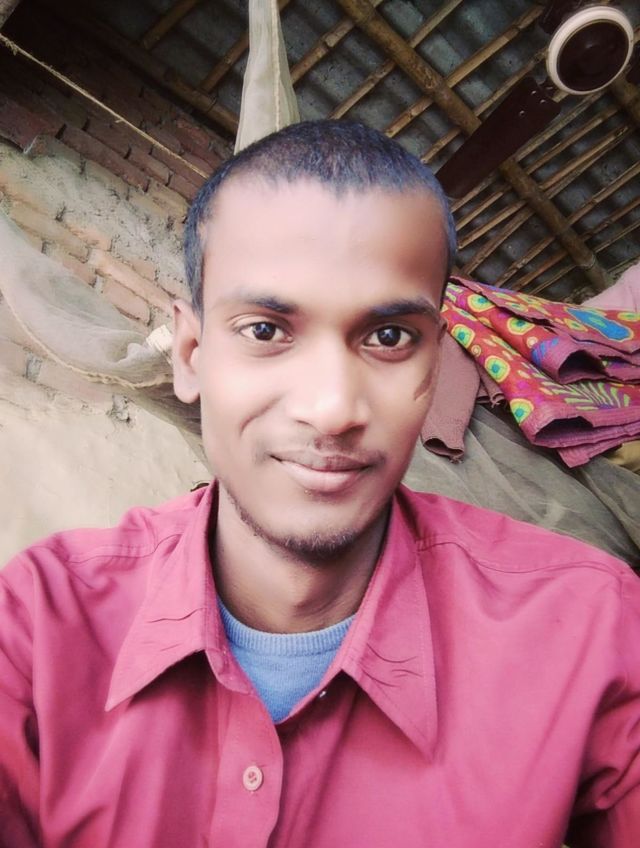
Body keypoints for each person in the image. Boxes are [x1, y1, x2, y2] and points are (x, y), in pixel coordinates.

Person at [0, 120, 639, 848]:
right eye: (266, 330)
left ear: (436, 367)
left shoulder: (593, 630)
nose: (332, 409)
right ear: (191, 353)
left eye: (389, 338)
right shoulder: (36, 625)